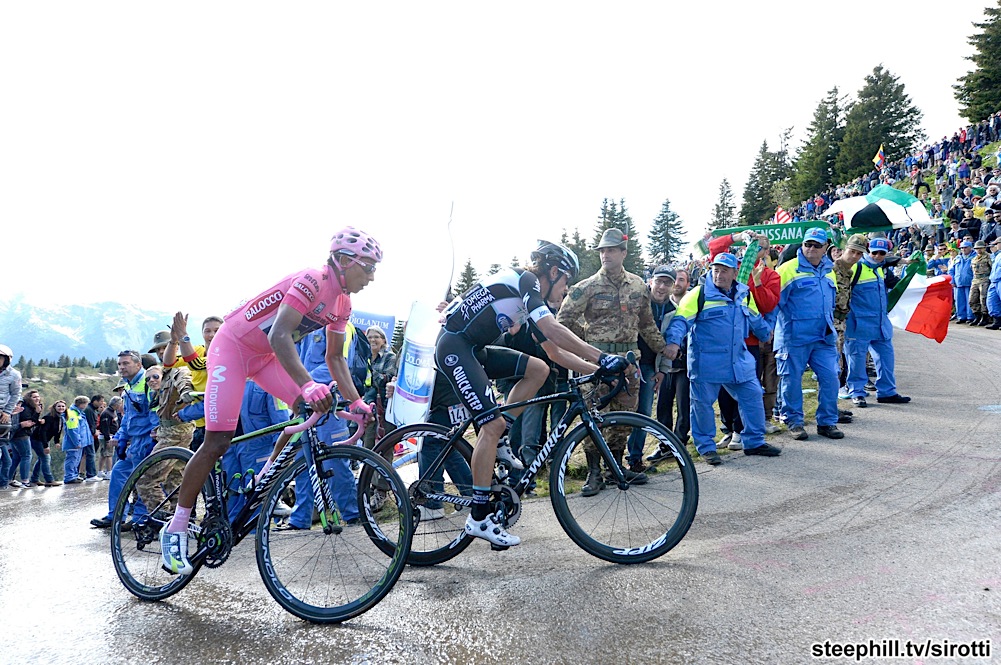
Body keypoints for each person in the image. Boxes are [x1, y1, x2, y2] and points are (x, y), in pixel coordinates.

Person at [159, 227, 382, 575]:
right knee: (218, 440)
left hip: (266, 359)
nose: (371, 276)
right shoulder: (311, 280)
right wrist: (308, 385)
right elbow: (279, 334)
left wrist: (355, 403)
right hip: (233, 349)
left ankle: (260, 481)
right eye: (367, 267)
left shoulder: (343, 303)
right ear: (343, 261)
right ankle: (176, 527)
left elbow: (336, 360)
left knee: (312, 412)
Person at [438, 239, 610, 546]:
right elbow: (555, 330)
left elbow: (553, 353)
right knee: (490, 425)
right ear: (554, 271)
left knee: (539, 370)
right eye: (566, 281)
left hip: (474, 350)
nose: (566, 289)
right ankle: (478, 516)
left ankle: (502, 436)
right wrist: (602, 357)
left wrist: (595, 370)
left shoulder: (529, 299)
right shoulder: (527, 281)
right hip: (455, 347)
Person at [555, 228, 666, 497]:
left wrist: (665, 349)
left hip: (629, 363)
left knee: (625, 418)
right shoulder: (586, 287)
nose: (606, 254)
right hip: (597, 365)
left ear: (623, 253)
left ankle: (615, 467)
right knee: (594, 417)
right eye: (603, 250)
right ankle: (594, 473)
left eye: (611, 250)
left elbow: (647, 324)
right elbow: (562, 322)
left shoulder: (639, 286)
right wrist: (588, 343)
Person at [663, 253, 780, 464]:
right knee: (702, 405)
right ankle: (707, 448)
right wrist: (672, 342)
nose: (719, 274)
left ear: (735, 273)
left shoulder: (744, 294)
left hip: (738, 361)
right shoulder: (698, 294)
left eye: (725, 270)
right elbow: (681, 321)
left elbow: (754, 317)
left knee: (753, 396)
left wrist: (765, 333)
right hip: (706, 362)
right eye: (716, 270)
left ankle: (753, 442)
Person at [774, 228, 844, 440]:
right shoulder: (787, 269)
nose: (811, 249)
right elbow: (775, 304)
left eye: (816, 245)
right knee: (792, 381)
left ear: (825, 248)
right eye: (808, 244)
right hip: (794, 337)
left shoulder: (829, 270)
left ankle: (827, 422)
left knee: (831, 377)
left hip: (823, 336)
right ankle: (794, 421)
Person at [90, 350, 157, 528]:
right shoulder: (128, 386)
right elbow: (128, 417)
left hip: (146, 439)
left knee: (143, 478)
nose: (121, 367)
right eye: (120, 364)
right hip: (134, 441)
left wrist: (155, 438)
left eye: (126, 363)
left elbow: (154, 411)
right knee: (118, 473)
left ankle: (140, 519)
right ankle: (116, 516)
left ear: (138, 364)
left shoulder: (148, 382)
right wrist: (121, 438)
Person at [843, 238, 910, 408]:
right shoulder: (855, 267)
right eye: (874, 252)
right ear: (867, 252)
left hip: (880, 323)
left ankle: (887, 392)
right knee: (856, 360)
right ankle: (856, 392)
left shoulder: (881, 269)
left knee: (886, 359)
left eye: (882, 253)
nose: (878, 256)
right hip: (858, 323)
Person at [162, 314, 223, 451]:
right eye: (207, 331)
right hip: (200, 423)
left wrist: (183, 335)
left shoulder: (225, 354)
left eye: (217, 330)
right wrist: (173, 341)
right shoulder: (198, 350)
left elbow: (196, 364)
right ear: (202, 333)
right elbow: (168, 363)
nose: (212, 335)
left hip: (221, 421)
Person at [654, 268, 692, 447]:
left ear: (688, 284)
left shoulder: (692, 304)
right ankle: (664, 445)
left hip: (684, 364)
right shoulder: (661, 306)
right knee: (663, 406)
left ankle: (679, 443)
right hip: (665, 364)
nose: (677, 283)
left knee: (684, 406)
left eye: (681, 280)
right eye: (675, 280)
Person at [31, 399, 65, 487]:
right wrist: (45, 446)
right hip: (37, 439)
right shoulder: (49, 417)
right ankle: (49, 480)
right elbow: (43, 432)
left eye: (63, 406)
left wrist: (57, 442)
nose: (61, 408)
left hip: (45, 440)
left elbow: (58, 431)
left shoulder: (60, 418)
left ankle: (34, 479)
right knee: (46, 458)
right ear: (54, 407)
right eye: (59, 406)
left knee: (41, 459)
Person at [63, 396, 92, 484]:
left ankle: (74, 475)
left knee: (76, 459)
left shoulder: (78, 413)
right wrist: (77, 442)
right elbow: (72, 430)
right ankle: (69, 477)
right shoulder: (72, 414)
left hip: (80, 442)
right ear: (82, 404)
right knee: (72, 459)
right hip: (73, 443)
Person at [969, 240, 994, 326]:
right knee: (972, 299)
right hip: (975, 280)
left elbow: (992, 269)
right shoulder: (974, 259)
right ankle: (977, 315)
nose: (978, 250)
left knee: (983, 299)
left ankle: (985, 316)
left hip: (985, 279)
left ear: (984, 248)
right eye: (977, 249)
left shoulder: (988, 257)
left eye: (980, 248)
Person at [97, 396, 121, 479]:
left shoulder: (112, 412)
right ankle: (109, 472)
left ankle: (100, 472)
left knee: (104, 454)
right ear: (116, 404)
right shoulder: (107, 413)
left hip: (110, 435)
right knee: (108, 455)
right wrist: (108, 439)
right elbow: (105, 427)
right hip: (107, 436)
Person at [986, 238, 1001, 330]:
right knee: (991, 301)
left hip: (1000, 279)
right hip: (994, 280)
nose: (995, 246)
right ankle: (997, 321)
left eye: (997, 244)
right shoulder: (998, 255)